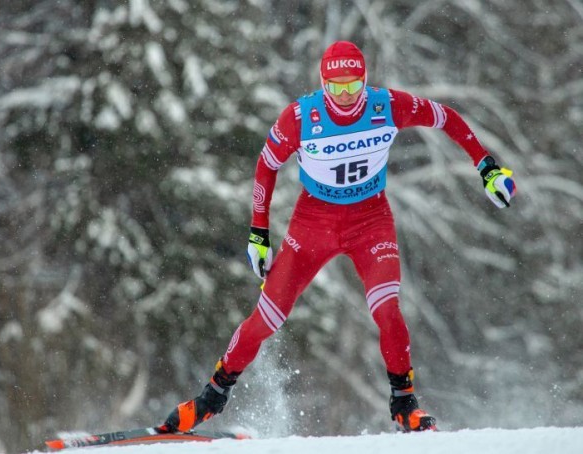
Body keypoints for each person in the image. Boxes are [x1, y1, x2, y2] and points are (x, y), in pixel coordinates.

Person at [156, 40, 516, 434]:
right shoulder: (300, 117)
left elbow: (445, 117)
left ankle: (404, 404)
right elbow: (265, 166)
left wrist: (487, 167)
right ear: (322, 84)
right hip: (313, 223)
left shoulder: (387, 106)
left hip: (370, 221)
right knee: (266, 319)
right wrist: (259, 234)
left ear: (365, 81)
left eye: (353, 87)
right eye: (335, 87)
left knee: (387, 309)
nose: (345, 97)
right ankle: (211, 397)